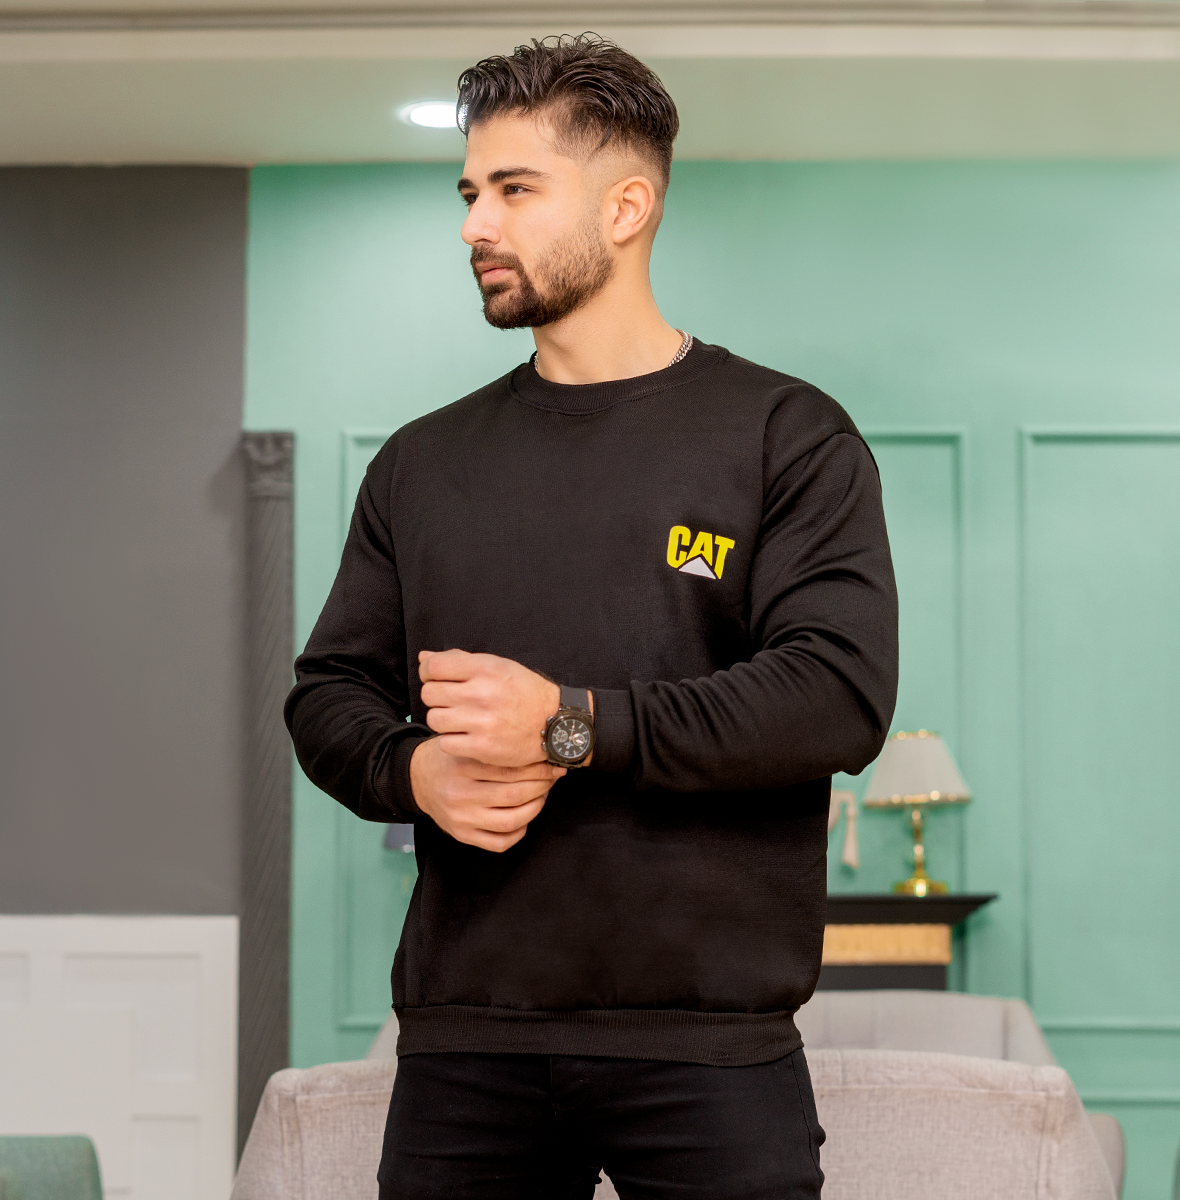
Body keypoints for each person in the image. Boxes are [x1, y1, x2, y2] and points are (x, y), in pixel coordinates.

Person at [285, 33, 898, 1200]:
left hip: (712, 1048)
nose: (475, 224)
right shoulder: (421, 464)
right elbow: (328, 696)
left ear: (626, 208)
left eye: (515, 190)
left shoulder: (786, 436)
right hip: (466, 1045)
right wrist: (416, 773)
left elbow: (837, 695)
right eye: (469, 192)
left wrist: (570, 725)